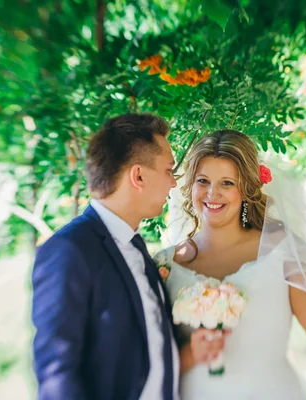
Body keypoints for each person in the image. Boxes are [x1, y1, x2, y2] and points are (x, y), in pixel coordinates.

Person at [153, 129, 306, 399]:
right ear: (190, 185)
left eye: (227, 183)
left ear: (247, 189)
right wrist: (190, 354)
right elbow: (147, 362)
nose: (212, 193)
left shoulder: (283, 253)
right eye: (203, 181)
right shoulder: (166, 265)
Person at [31, 113, 226, 400]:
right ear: (138, 176)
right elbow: (57, 375)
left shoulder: (135, 246)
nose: (173, 183)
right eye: (168, 170)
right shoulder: (69, 250)